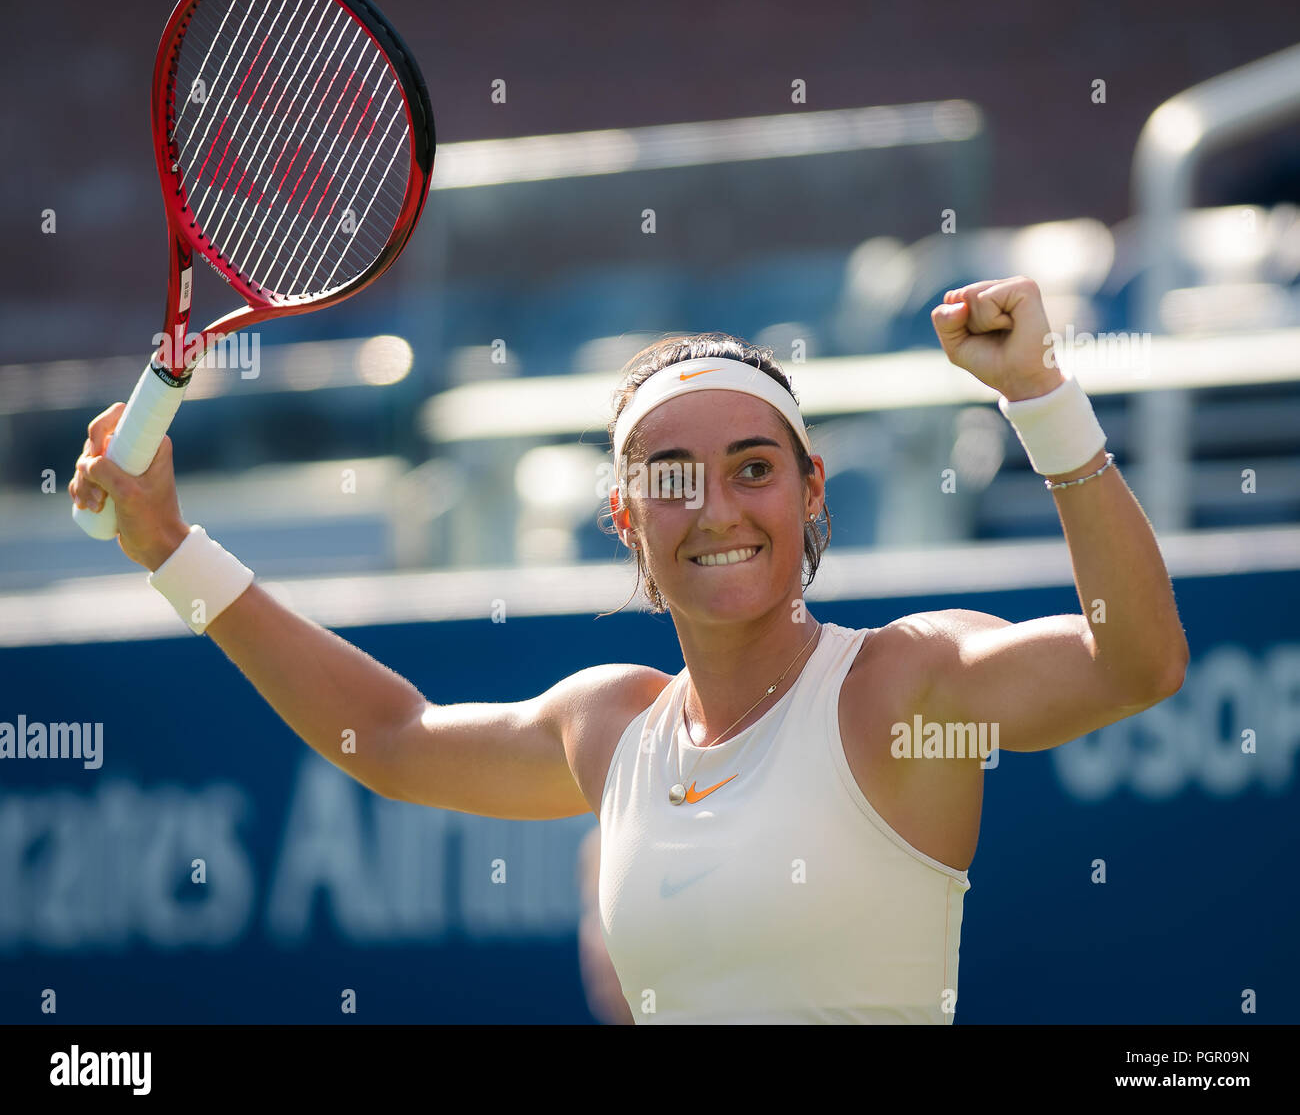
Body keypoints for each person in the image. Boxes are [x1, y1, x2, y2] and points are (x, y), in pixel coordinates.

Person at [69, 275, 1189, 1023]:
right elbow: (396, 739)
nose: (713, 508)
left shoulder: (902, 682)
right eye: (669, 476)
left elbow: (1133, 662)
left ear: (810, 493)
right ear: (624, 517)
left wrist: (1040, 396)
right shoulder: (608, 724)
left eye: (754, 467)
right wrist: (170, 547)